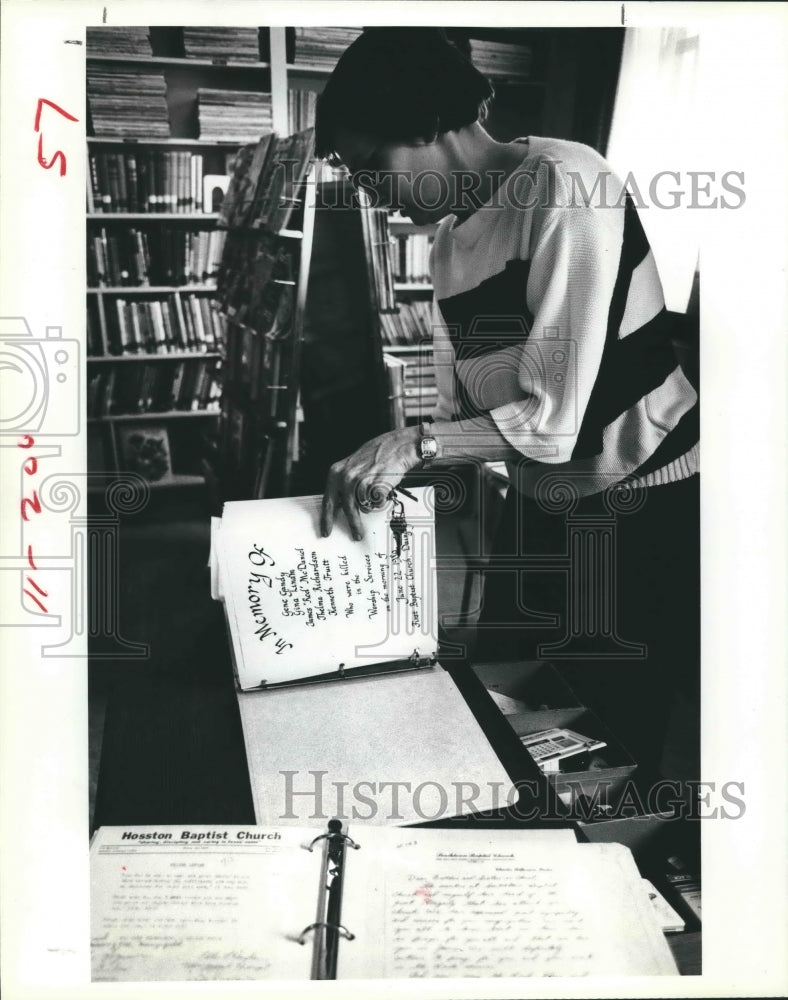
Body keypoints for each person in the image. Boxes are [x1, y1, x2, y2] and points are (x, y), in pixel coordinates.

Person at [314, 28, 699, 779]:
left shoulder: (566, 184)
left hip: (639, 501)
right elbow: (485, 408)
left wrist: (416, 444)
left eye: (372, 168)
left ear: (426, 126)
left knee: (607, 742)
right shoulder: (450, 242)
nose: (369, 193)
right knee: (504, 710)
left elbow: (553, 420)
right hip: (544, 495)